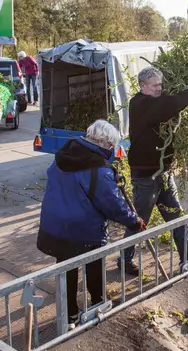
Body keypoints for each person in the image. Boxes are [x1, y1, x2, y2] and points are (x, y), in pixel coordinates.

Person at [36, 119, 146, 328]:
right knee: (94, 266)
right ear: (103, 142)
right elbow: (113, 205)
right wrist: (134, 221)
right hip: (83, 231)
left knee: (66, 268)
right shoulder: (99, 170)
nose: (112, 150)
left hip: (56, 225)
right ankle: (98, 303)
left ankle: (69, 315)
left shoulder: (63, 156)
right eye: (112, 145)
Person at [118, 66, 188, 276]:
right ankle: (124, 259)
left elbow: (168, 102)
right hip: (146, 176)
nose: (160, 88)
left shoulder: (155, 100)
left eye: (161, 84)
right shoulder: (139, 104)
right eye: (155, 85)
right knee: (138, 222)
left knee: (176, 217)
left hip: (163, 173)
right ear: (143, 86)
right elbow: (169, 105)